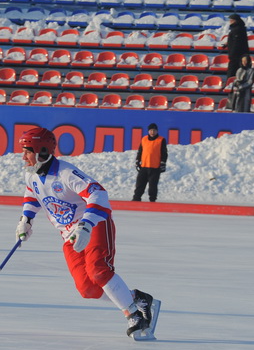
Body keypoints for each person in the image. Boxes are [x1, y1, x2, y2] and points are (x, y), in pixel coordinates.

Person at [15, 127, 158, 339]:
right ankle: (137, 298)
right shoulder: (32, 175)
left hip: (94, 225)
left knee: (98, 271)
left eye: (27, 151)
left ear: (42, 151)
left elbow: (98, 194)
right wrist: (26, 219)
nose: (23, 156)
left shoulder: (65, 172)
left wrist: (86, 225)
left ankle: (133, 314)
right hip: (68, 236)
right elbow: (32, 195)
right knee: (87, 289)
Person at [132, 123, 168, 203]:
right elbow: (140, 151)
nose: (152, 132)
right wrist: (137, 161)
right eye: (151, 130)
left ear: (157, 131)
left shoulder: (161, 140)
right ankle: (136, 199)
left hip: (155, 167)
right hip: (144, 166)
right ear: (148, 131)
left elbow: (164, 153)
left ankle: (152, 200)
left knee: (152, 186)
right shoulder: (144, 139)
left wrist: (163, 163)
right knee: (140, 184)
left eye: (154, 130)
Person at [223, 13, 249, 80]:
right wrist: (228, 43)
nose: (230, 21)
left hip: (236, 55)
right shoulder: (239, 28)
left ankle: (229, 84)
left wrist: (232, 54)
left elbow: (236, 43)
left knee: (232, 71)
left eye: (232, 20)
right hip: (239, 54)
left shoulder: (237, 29)